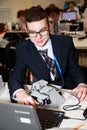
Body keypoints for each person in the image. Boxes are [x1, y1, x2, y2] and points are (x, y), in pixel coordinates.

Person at [8, 6, 87, 108]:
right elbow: (16, 76)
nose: (38, 37)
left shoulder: (65, 42)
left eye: (43, 30)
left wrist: (82, 84)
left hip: (69, 93)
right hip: (44, 95)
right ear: (26, 30)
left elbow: (75, 69)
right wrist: (19, 92)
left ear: (49, 26)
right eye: (32, 32)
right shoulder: (23, 48)